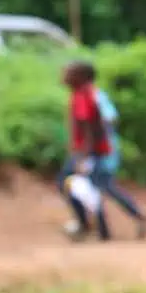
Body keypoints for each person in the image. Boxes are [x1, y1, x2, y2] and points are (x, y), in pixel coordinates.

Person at [86, 70, 146, 239]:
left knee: (103, 186)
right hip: (97, 151)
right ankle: (101, 227)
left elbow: (110, 118)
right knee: (98, 187)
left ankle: (104, 228)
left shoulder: (97, 97)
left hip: (104, 151)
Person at [57, 60, 114, 242]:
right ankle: (100, 229)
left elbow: (88, 126)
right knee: (88, 187)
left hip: (87, 151)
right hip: (89, 150)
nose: (63, 74)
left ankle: (84, 224)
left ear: (80, 77)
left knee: (66, 183)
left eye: (68, 72)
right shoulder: (84, 93)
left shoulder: (82, 96)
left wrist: (83, 155)